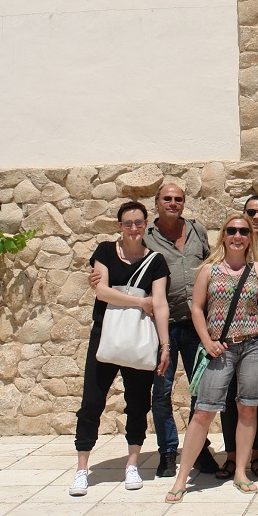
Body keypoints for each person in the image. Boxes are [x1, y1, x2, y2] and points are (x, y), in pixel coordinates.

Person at [87, 184, 217, 477]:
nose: (173, 203)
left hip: (198, 323)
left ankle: (200, 450)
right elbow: (116, 267)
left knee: (201, 392)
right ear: (156, 203)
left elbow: (212, 266)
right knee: (160, 393)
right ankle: (168, 452)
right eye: (167, 199)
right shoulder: (143, 236)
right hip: (162, 325)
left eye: (178, 199)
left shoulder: (197, 231)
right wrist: (96, 279)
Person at [165, 216, 258, 502]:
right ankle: (182, 478)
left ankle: (240, 472)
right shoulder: (209, 270)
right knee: (204, 410)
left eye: (243, 231)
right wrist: (207, 341)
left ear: (249, 238)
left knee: (248, 408)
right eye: (232, 230)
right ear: (223, 236)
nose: (238, 235)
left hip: (255, 346)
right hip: (220, 348)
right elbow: (196, 308)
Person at [71, 201, 171, 497]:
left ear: (146, 223)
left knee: (138, 404)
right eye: (128, 223)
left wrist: (165, 345)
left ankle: (132, 463)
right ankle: (81, 468)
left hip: (139, 340)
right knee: (91, 402)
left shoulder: (156, 261)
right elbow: (100, 291)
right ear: (120, 226)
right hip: (105, 336)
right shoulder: (104, 251)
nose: (134, 228)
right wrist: (140, 302)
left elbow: (162, 304)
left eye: (139, 223)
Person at [220, 194, 258, 478]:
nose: (255, 218)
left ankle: (255, 454)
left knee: (255, 397)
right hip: (228, 333)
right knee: (229, 398)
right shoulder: (233, 243)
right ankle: (231, 455)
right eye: (250, 212)